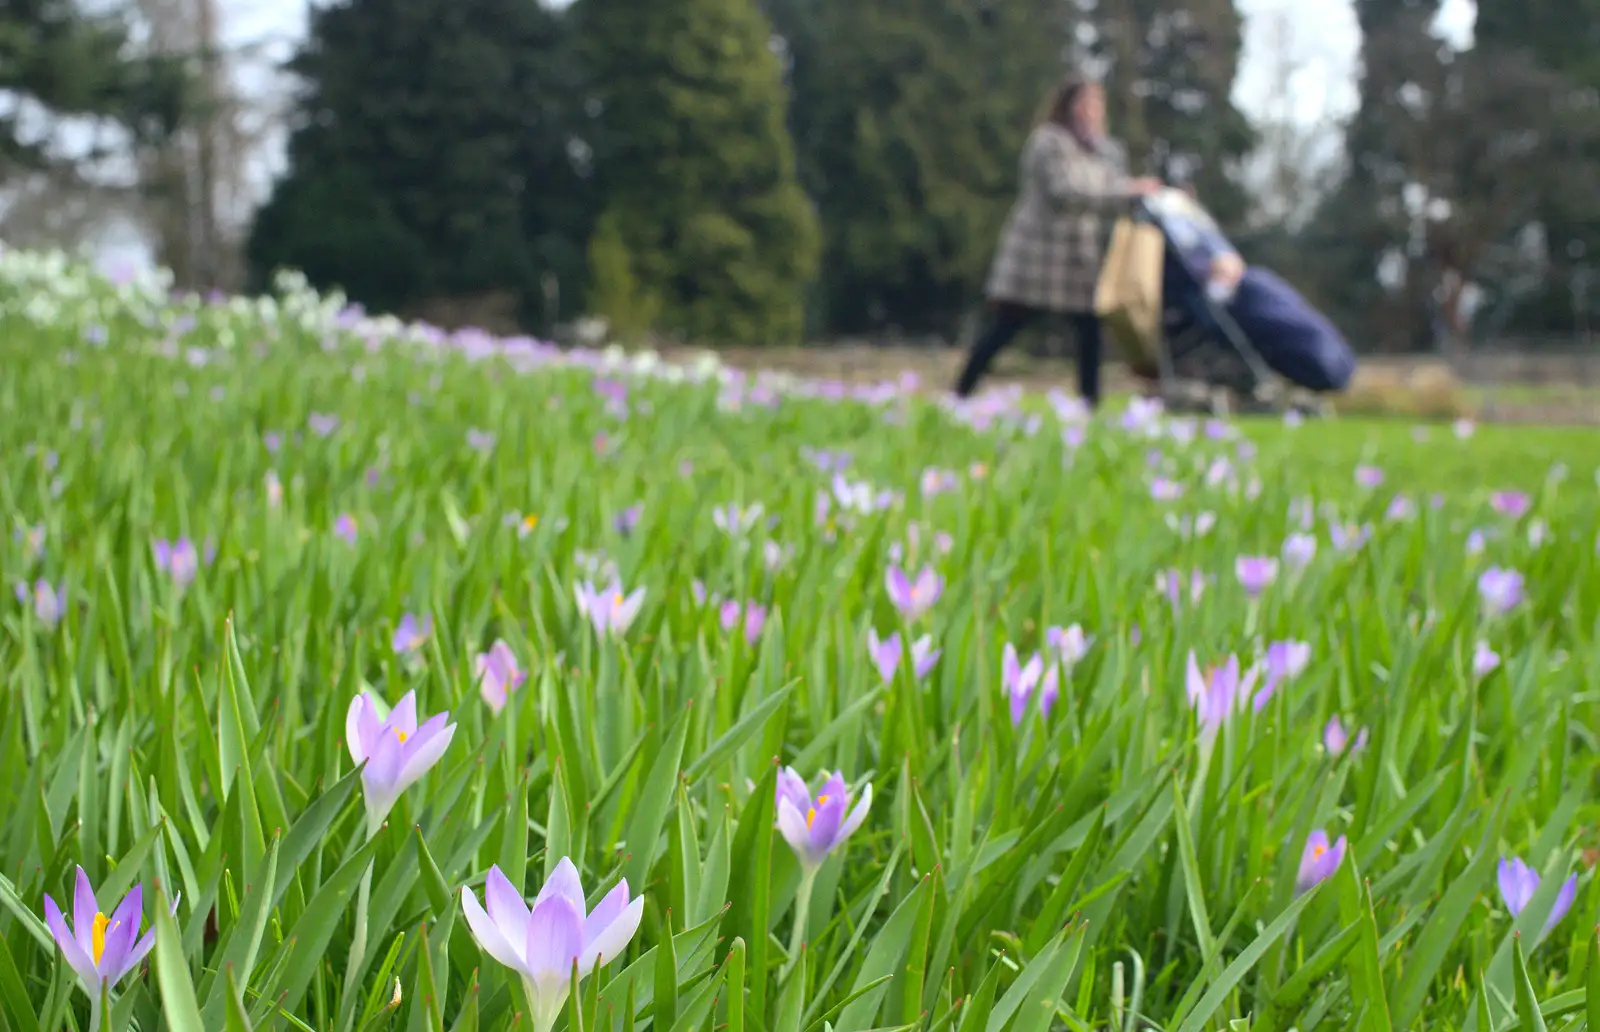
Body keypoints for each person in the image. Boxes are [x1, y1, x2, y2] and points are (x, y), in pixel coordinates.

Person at [953, 73, 1163, 403]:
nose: (1093, 110)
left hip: (1078, 258)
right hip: (1037, 254)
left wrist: (1146, 193)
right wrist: (1128, 189)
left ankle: (1089, 405)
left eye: (1097, 103)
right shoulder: (1048, 142)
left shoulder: (1104, 151)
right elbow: (1065, 192)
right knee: (1007, 324)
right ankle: (960, 393)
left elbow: (1114, 192)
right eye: (1086, 102)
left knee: (1090, 328)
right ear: (1069, 104)